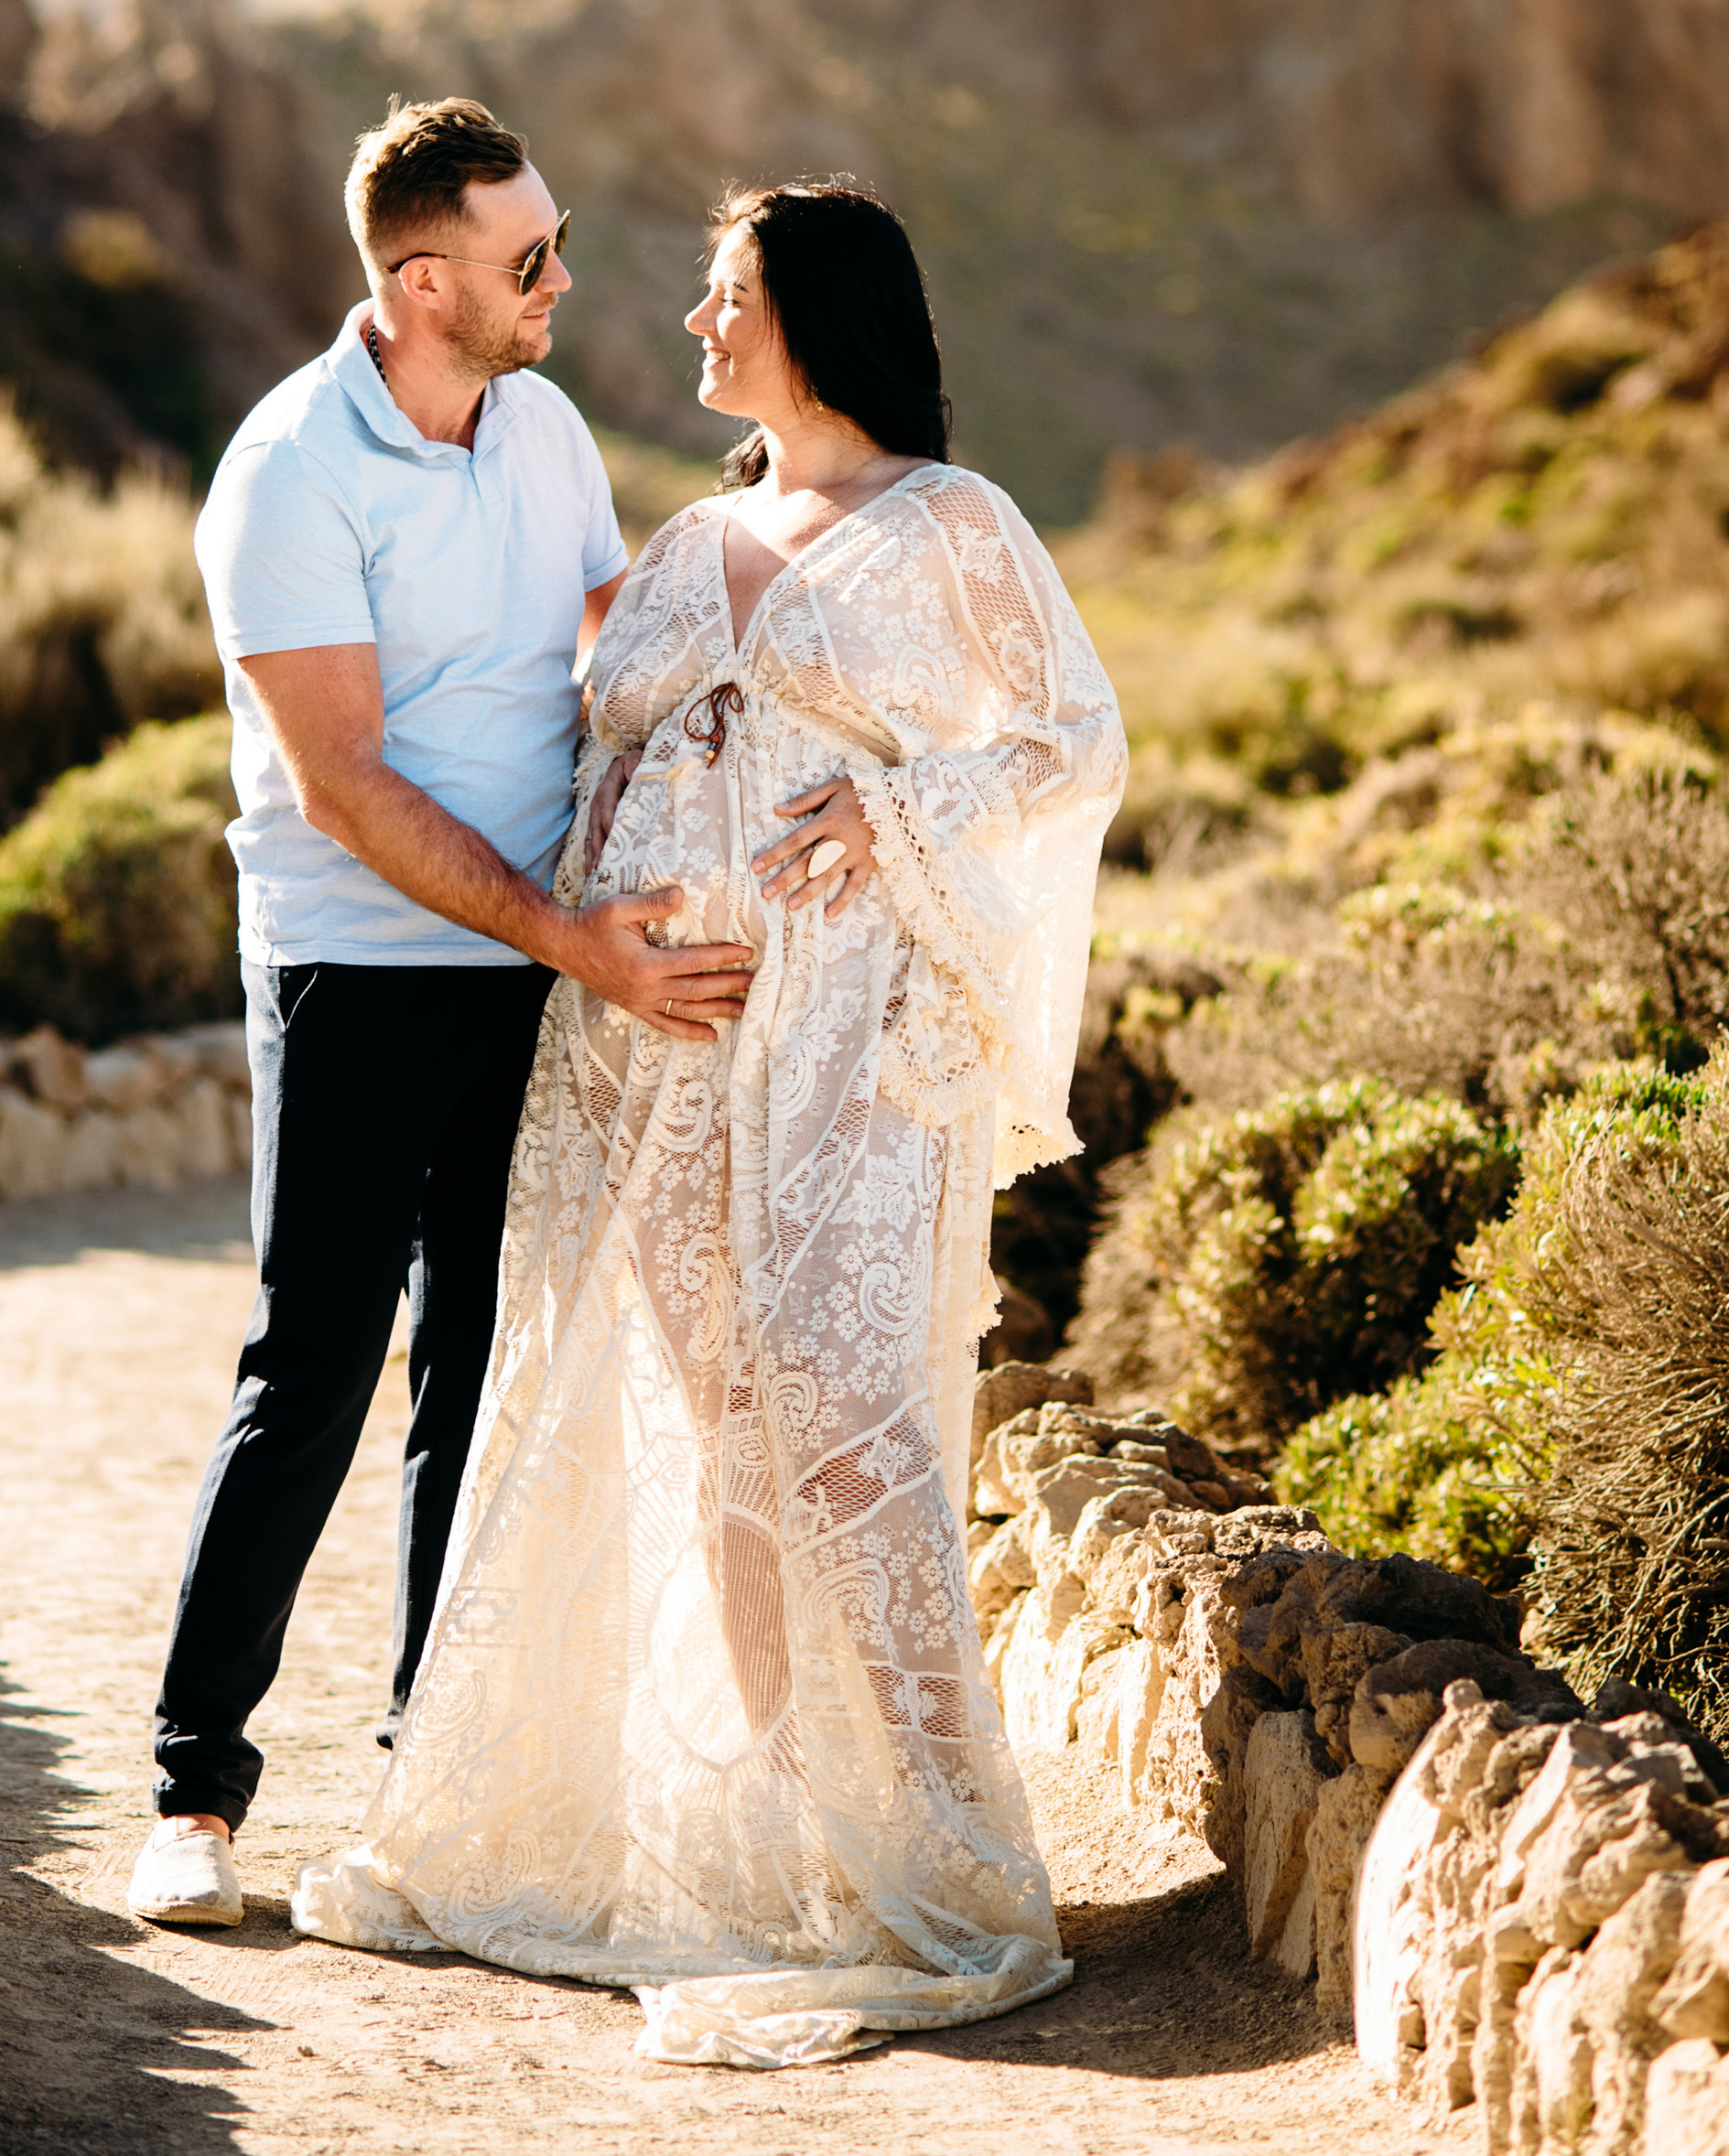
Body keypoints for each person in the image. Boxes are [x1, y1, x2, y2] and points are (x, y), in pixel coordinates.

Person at [294, 177, 1128, 2067]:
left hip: (848, 1054)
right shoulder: (682, 541)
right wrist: (577, 958)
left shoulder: (951, 525)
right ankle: (776, 1843)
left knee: (848, 1427)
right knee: (712, 1436)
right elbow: (597, 762)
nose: (689, 323)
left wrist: (894, 819)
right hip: (650, 1066)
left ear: (813, 313)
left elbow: (1074, 737)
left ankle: (932, 1861)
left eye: (722, 293)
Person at [128, 98, 755, 1930]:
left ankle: (432, 1785)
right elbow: (342, 787)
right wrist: (574, 937)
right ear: (419, 283)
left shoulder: (547, 427)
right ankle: (191, 1797)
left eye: (551, 244)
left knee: (484, 1369)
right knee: (310, 1363)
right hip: (352, 969)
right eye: (527, 258)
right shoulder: (284, 476)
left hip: (535, 967)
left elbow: (602, 653)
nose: (560, 281)